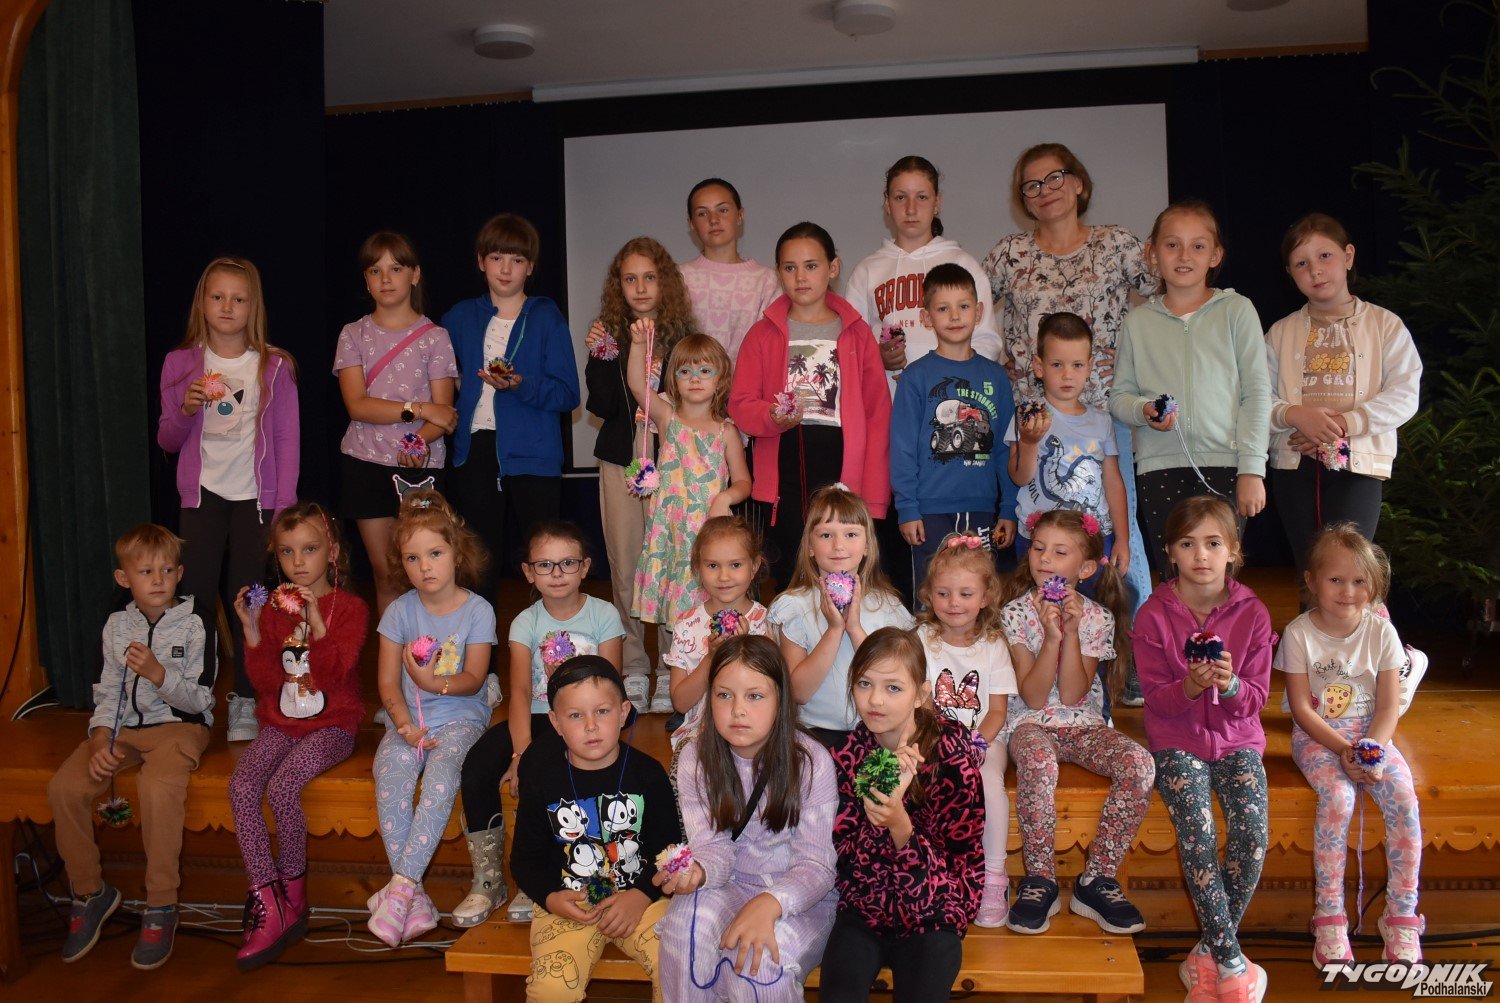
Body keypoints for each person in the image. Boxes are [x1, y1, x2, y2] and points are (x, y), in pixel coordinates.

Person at [981, 142, 1158, 686]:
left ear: (1078, 182)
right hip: (1035, 422)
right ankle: (1037, 669)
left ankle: (1133, 664)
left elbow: (1161, 286)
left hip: (1104, 414)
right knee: (1041, 560)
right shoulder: (1009, 253)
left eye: (1055, 177)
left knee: (1121, 552)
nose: (1045, 191)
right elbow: (975, 315)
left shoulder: (1115, 244)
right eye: (1031, 184)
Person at [47, 525, 214, 970]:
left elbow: (201, 700)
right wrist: (101, 735)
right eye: (145, 572)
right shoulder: (117, 626)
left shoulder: (196, 623)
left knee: (157, 788)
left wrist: (160, 675)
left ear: (180, 573)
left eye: (167, 570)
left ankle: (161, 903)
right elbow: (108, 690)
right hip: (123, 730)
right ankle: (90, 892)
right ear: (124, 579)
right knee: (65, 788)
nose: (158, 580)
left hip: (179, 727)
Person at [1134, 496, 1274, 1001]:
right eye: (1187, 544)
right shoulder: (1153, 615)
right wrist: (1191, 687)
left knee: (1252, 832)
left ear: (1233, 551)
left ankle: (1206, 954)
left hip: (1238, 741)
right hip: (1177, 741)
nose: (1201, 555)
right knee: (1198, 830)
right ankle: (1231, 960)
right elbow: (1156, 700)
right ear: (1170, 552)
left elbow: (1255, 700)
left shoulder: (1253, 613)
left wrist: (1230, 685)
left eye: (1214, 543)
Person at [456, 520, 626, 927]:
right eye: (545, 565)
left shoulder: (603, 615)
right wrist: (519, 753)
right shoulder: (525, 623)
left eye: (567, 563)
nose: (557, 573)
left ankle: (539, 879)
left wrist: (568, 700)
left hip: (586, 717)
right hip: (534, 715)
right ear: (528, 572)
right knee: (477, 767)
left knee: (544, 772)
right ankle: (489, 880)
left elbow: (611, 688)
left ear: (585, 567)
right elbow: (518, 692)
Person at [157, 256, 298, 743]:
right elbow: (167, 439)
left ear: (253, 306)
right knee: (194, 601)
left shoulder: (274, 366)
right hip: (202, 499)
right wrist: (185, 408)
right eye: (217, 296)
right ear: (202, 301)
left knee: (249, 602)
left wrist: (283, 512)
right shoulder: (180, 363)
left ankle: (244, 699)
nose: (227, 306)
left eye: (238, 299)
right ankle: (193, 699)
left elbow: (287, 442)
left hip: (256, 501)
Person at [655, 635, 839, 1001]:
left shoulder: (811, 761)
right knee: (684, 930)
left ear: (780, 700)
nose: (738, 709)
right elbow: (713, 848)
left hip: (798, 899)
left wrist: (769, 902)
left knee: (754, 966)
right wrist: (698, 872)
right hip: (728, 884)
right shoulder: (695, 758)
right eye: (724, 695)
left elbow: (817, 867)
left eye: (755, 696)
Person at [228, 502, 369, 970]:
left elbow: (331, 675)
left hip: (332, 727)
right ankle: (268, 901)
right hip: (281, 724)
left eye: (310, 549)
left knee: (284, 787)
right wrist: (252, 631)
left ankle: (294, 892)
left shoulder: (350, 608)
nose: (299, 561)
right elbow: (267, 682)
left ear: (332, 551)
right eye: (287, 552)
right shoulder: (273, 610)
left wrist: (317, 623)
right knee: (242, 786)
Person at [1277, 524, 1424, 968]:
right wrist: (1344, 749)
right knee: (1339, 798)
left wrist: (1371, 750)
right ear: (1311, 581)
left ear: (1374, 586)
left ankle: (1401, 915)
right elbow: (1301, 710)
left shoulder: (1381, 632)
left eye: (1359, 581)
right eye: (1336, 579)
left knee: (1404, 797)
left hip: (1373, 734)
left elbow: (1389, 706)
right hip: (1319, 734)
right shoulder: (1298, 634)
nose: (1348, 591)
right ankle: (1329, 917)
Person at [999, 509, 1151, 936]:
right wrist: (1050, 637)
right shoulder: (1014, 612)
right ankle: (1040, 879)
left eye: (1059, 552)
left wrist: (1071, 629)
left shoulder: (1098, 617)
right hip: (1031, 724)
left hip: (1084, 725)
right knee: (1037, 762)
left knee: (1140, 764)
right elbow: (1033, 696)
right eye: (1038, 548)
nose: (1045, 559)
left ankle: (1097, 879)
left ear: (1084, 569)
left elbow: (1071, 695)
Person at [822, 627, 984, 1001]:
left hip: (935, 915)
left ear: (920, 694)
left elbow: (961, 866)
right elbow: (846, 860)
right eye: (864, 684)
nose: (875, 700)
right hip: (865, 910)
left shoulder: (950, 756)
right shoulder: (848, 756)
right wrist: (879, 807)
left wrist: (900, 825)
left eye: (893, 688)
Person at [1111, 199, 1271, 575]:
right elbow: (1119, 397)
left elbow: (1256, 394)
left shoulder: (1237, 310)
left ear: (1215, 255)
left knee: (1217, 580)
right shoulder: (1137, 322)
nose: (1184, 256)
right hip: (1159, 469)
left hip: (1226, 466)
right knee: (1174, 580)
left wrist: (1252, 469)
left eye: (1198, 246)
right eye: (1172, 245)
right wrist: (1143, 410)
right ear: (1152, 253)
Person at [729, 222, 892, 587]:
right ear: (778, 272)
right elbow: (740, 404)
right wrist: (770, 416)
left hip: (842, 463)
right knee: (790, 574)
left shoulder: (857, 333)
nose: (800, 276)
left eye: (811, 266)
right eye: (790, 267)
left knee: (842, 571)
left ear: (833, 268)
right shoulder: (762, 334)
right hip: (783, 463)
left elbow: (878, 416)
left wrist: (875, 497)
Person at [510, 657, 681, 1002]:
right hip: (568, 905)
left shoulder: (648, 774)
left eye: (602, 712)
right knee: (551, 988)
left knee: (678, 968)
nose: (591, 726)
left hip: (640, 901)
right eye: (575, 716)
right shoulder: (541, 780)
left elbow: (669, 850)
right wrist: (551, 898)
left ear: (623, 712)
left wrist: (642, 895)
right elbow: (525, 860)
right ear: (556, 723)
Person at [368, 489, 494, 946]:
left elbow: (474, 679)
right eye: (412, 558)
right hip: (410, 722)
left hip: (460, 718)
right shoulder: (399, 612)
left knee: (441, 780)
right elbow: (387, 684)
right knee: (391, 771)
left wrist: (430, 682)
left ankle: (400, 888)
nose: (425, 567)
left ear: (456, 554)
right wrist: (403, 725)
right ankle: (414, 896)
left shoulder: (478, 610)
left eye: (435, 553)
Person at [1266, 213, 1423, 574]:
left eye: (1325, 256)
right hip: (1296, 464)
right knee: (1310, 571)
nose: (1315, 270)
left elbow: (1404, 393)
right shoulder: (1280, 332)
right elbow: (1258, 398)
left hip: (1358, 464)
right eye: (1301, 263)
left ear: (1348, 256)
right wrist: (1294, 416)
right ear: (1290, 273)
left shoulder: (1385, 325)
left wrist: (1342, 424)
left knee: (1348, 569)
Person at [585, 236, 695, 713]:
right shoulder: (607, 336)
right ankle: (633, 665)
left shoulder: (683, 337)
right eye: (630, 279)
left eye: (650, 277)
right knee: (626, 561)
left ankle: (672, 666)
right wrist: (605, 354)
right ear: (619, 286)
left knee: (671, 562)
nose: (641, 287)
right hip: (621, 459)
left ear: (664, 281)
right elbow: (601, 405)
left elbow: (698, 399)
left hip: (673, 463)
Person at [445, 213, 581, 588]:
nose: (505, 269)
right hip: (475, 451)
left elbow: (568, 393)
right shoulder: (459, 317)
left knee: (544, 558)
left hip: (534, 453)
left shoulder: (546, 317)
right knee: (478, 560)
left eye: (517, 259)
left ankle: (548, 629)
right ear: (481, 261)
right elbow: (437, 375)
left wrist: (522, 385)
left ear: (530, 266)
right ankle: (480, 631)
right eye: (496, 258)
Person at [333, 231, 459, 617]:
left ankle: (431, 650)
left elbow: (444, 414)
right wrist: (417, 409)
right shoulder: (353, 334)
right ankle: (396, 654)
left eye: (396, 268)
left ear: (415, 275)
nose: (385, 279)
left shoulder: (436, 337)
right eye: (375, 270)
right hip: (364, 465)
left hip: (420, 470)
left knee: (425, 573)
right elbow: (357, 405)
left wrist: (417, 442)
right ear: (366, 280)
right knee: (386, 573)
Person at [889, 262, 1017, 598]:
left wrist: (1009, 508)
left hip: (983, 507)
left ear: (979, 312)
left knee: (980, 595)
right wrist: (907, 508)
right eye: (943, 309)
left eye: (963, 306)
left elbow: (1005, 448)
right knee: (933, 597)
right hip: (929, 511)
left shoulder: (996, 377)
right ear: (926, 317)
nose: (955, 316)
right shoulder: (916, 377)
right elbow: (902, 448)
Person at [627, 324, 751, 660]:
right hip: (670, 534)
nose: (695, 379)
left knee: (707, 604)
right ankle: (673, 668)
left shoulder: (726, 431)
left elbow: (743, 482)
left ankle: (708, 664)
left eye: (705, 371)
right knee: (675, 607)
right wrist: (638, 344)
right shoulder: (668, 419)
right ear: (674, 380)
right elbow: (637, 384)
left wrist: (725, 498)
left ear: (720, 380)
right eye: (685, 371)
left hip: (706, 535)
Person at [914, 532, 1017, 926]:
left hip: (985, 741)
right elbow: (919, 697)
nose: (953, 603)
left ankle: (993, 875)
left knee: (988, 785)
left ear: (985, 596)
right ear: (928, 594)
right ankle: (936, 869)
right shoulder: (922, 639)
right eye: (943, 593)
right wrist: (943, 742)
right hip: (933, 738)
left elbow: (997, 711)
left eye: (965, 594)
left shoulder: (993, 645)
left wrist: (972, 744)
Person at [770, 485, 914, 749]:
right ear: (810, 546)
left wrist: (855, 628)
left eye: (851, 534)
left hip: (877, 737)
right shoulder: (794, 606)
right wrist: (834, 630)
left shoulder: (887, 606)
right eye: (826, 535)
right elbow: (799, 693)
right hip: (813, 737)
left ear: (867, 545)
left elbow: (897, 677)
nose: (838, 546)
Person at [844, 155, 1002, 392]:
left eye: (922, 197)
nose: (911, 209)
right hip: (888, 402)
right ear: (887, 203)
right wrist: (877, 358)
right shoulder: (866, 271)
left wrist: (949, 381)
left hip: (952, 400)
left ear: (937, 202)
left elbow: (987, 342)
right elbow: (851, 347)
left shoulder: (962, 264)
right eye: (900, 197)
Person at [666, 516, 771, 749]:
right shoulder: (687, 625)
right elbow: (681, 703)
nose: (724, 577)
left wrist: (745, 649)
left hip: (757, 735)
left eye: (735, 565)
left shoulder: (767, 623)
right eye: (713, 566)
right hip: (702, 737)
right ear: (698, 568)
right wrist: (712, 657)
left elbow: (776, 693)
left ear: (754, 566)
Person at [679, 177, 780, 361]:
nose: (714, 220)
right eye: (702, 213)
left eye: (723, 210)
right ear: (691, 223)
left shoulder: (767, 280)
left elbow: (770, 346)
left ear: (740, 215)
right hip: (689, 378)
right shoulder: (678, 278)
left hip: (749, 379)